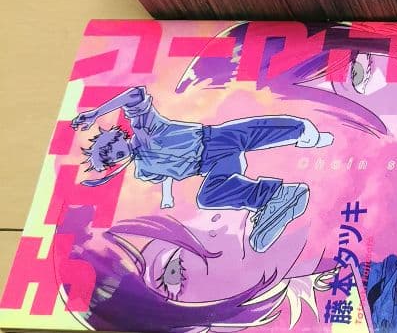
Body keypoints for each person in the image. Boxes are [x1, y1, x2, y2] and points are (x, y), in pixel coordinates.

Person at [73, 85, 334, 253]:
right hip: (211, 166)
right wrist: (167, 196)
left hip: (211, 140)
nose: (116, 155)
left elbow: (135, 95)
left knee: (252, 132)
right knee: (208, 197)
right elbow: (167, 174)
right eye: (112, 158)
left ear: (118, 137)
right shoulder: (143, 169)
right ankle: (276, 197)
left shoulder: (144, 128)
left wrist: (96, 113)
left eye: (112, 148)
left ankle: (303, 130)